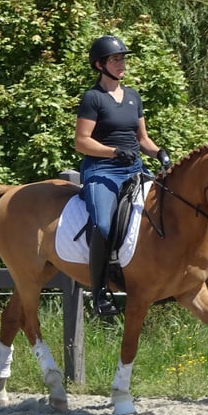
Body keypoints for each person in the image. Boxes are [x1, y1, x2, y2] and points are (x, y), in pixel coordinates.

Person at [74, 35, 172, 316]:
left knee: (161, 215)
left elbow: (142, 138)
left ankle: (163, 281)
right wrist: (113, 152)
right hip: (102, 171)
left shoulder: (132, 97)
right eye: (116, 59)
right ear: (100, 65)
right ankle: (99, 292)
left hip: (134, 170)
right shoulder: (93, 98)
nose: (122, 64)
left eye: (122, 59)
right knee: (103, 226)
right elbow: (82, 141)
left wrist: (159, 153)